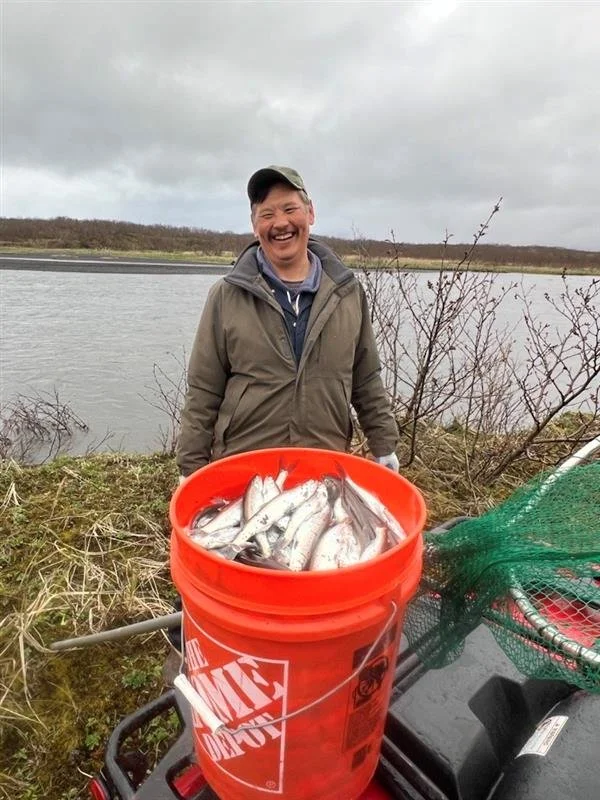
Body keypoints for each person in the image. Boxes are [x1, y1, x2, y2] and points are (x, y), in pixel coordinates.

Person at [176, 165, 399, 480]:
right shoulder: (226, 296)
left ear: (310, 213)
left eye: (290, 209)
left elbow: (366, 379)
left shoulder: (347, 293)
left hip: (324, 469)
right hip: (244, 473)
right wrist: (191, 467)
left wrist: (384, 444)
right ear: (255, 226)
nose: (280, 223)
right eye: (266, 215)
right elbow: (203, 390)